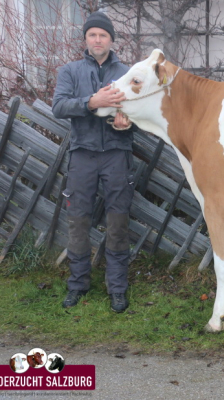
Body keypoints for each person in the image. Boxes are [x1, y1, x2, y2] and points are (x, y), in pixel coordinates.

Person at [52, 11, 134, 312]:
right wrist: (91, 103)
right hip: (82, 155)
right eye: (92, 35)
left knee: (118, 222)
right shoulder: (70, 71)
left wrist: (129, 122)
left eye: (103, 35)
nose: (97, 39)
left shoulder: (127, 72)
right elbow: (59, 107)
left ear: (112, 40)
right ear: (85, 39)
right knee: (78, 222)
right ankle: (78, 285)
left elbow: (140, 111)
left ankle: (117, 289)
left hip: (117, 154)